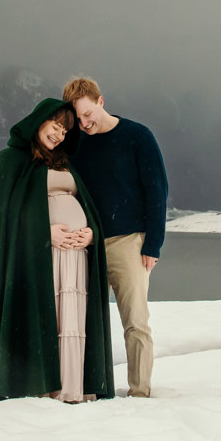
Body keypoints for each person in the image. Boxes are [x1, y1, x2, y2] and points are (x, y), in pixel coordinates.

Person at [0, 97, 116, 403]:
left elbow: (87, 206)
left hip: (76, 255)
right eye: (56, 126)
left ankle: (71, 387)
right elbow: (5, 215)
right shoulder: (10, 160)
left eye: (66, 131)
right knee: (46, 317)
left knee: (72, 319)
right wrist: (43, 233)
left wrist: (91, 233)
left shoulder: (63, 163)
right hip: (37, 258)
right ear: (39, 121)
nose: (60, 135)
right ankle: (41, 385)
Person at [62, 75, 167, 397]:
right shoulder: (77, 144)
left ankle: (140, 392)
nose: (84, 123)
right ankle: (88, 388)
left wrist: (153, 244)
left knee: (136, 322)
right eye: (77, 119)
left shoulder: (137, 136)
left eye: (87, 114)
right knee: (84, 322)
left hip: (129, 242)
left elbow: (157, 190)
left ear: (101, 102)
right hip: (87, 244)